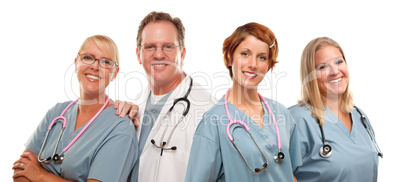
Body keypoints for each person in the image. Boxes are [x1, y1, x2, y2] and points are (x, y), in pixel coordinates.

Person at [12, 35, 138, 182]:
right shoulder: (57, 113)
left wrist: (40, 175)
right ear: (76, 62)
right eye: (88, 58)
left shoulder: (120, 127)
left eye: (106, 62)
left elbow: (31, 172)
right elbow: (21, 170)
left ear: (115, 73)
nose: (95, 66)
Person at [185, 22, 301, 182]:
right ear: (229, 57)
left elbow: (289, 173)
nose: (253, 64)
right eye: (245, 54)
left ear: (268, 66)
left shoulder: (282, 113)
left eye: (262, 57)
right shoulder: (212, 122)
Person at [114, 11, 214, 182]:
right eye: (150, 47)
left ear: (182, 54)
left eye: (168, 46)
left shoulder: (208, 110)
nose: (159, 55)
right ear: (138, 54)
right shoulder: (135, 104)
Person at [288, 37, 381, 181]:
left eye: (339, 62)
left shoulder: (359, 116)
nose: (335, 71)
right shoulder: (297, 119)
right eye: (323, 67)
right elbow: (276, 172)